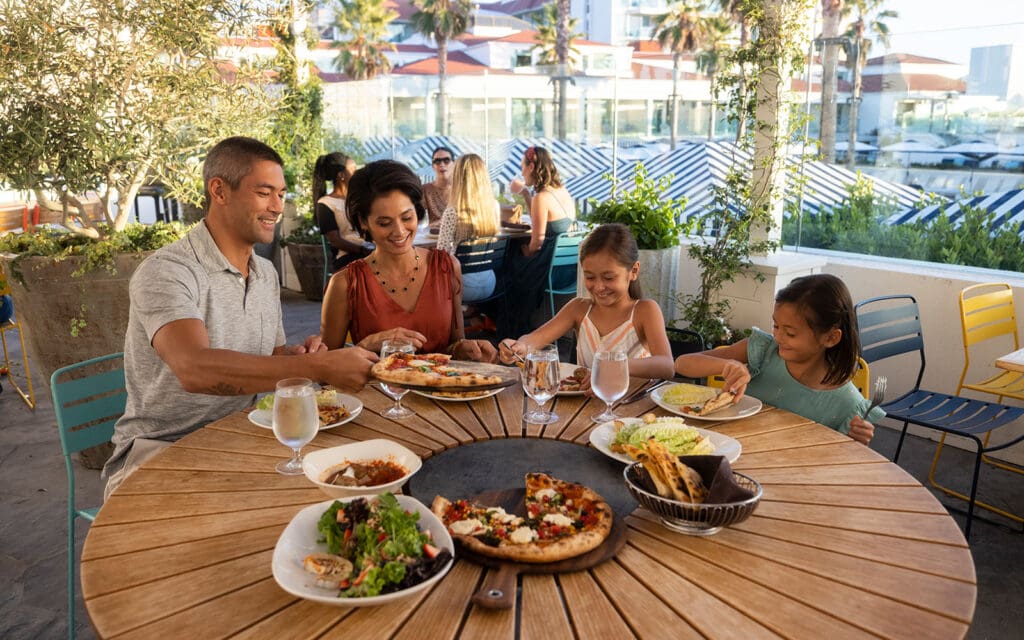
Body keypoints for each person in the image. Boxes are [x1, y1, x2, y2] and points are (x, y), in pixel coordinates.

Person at [102, 137, 378, 500]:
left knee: (355, 486)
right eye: (265, 193)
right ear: (219, 190)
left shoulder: (264, 272)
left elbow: (273, 357)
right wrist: (319, 368)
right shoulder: (168, 271)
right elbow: (194, 369)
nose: (277, 207)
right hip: (160, 450)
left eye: (281, 194)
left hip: (243, 435)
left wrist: (301, 358)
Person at [320, 159, 498, 363]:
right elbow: (326, 371)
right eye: (384, 223)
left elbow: (453, 346)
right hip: (377, 394)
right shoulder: (346, 283)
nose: (399, 231)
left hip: (439, 391)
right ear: (363, 222)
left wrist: (467, 349)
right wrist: (366, 345)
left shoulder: (447, 267)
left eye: (407, 217)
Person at [673, 273, 883, 445]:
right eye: (776, 326)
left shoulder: (847, 405)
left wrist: (856, 443)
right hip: (723, 450)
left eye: (790, 333)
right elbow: (682, 363)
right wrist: (727, 364)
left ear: (830, 337)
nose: (778, 337)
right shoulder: (763, 350)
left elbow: (839, 463)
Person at [498, 223, 674, 390]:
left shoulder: (645, 311)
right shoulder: (578, 308)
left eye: (609, 278)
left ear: (633, 271)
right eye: (590, 277)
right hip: (585, 408)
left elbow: (666, 366)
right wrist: (517, 347)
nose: (598, 287)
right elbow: (534, 341)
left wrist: (615, 366)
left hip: (630, 407)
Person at [500, 146, 577, 338]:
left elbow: (536, 245)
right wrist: (526, 194)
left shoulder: (542, 197)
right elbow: (538, 218)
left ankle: (511, 331)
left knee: (506, 264)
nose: (522, 172)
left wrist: (525, 251)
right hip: (570, 270)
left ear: (532, 166)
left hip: (551, 272)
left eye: (523, 167)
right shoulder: (562, 191)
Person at [436, 153, 500, 303]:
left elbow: (441, 256)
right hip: (490, 283)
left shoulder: (452, 212)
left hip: (462, 286)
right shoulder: (494, 207)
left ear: (458, 177)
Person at [313, 152, 371, 271]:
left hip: (368, 251)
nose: (357, 173)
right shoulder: (325, 203)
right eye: (353, 170)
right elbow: (335, 240)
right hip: (347, 257)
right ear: (342, 175)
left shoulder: (357, 198)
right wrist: (362, 250)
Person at [422, 146, 455, 225]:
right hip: (433, 235)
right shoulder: (425, 189)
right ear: (433, 166)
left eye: (446, 160)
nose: (442, 164)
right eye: (437, 161)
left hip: (459, 235)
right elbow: (416, 217)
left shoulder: (463, 189)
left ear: (454, 164)